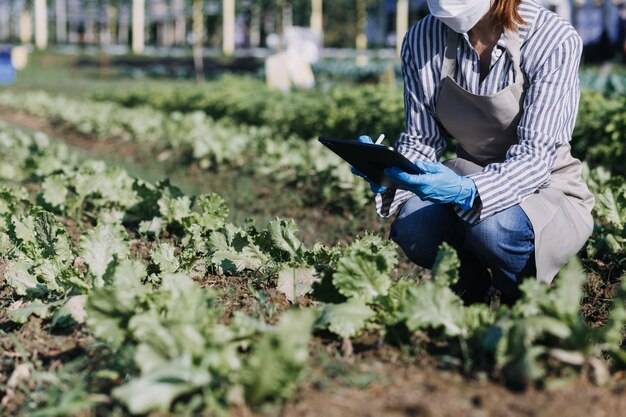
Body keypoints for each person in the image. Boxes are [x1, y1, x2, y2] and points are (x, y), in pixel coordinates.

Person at [353, 0, 595, 304]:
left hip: (546, 190)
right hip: (467, 174)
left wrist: (469, 191)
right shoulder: (422, 38)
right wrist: (391, 169)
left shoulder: (552, 37)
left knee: (493, 228)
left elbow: (536, 156)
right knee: (416, 225)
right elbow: (421, 139)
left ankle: (524, 302)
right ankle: (469, 295)